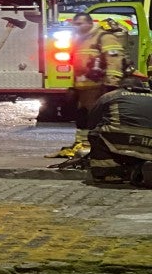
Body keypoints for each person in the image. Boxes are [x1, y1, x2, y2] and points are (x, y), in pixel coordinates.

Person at [49, 13, 128, 158]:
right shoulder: (78, 39)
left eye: (80, 24)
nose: (77, 27)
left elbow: (114, 60)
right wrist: (72, 86)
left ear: (90, 23)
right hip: (82, 87)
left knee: (95, 118)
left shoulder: (104, 37)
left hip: (98, 87)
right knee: (82, 117)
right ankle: (81, 144)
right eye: (75, 24)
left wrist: (112, 83)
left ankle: (95, 148)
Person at [86, 75, 152, 186]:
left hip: (120, 142)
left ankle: (109, 173)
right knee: (139, 153)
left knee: (95, 134)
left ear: (121, 87)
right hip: (149, 146)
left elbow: (92, 122)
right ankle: (140, 166)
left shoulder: (110, 96)